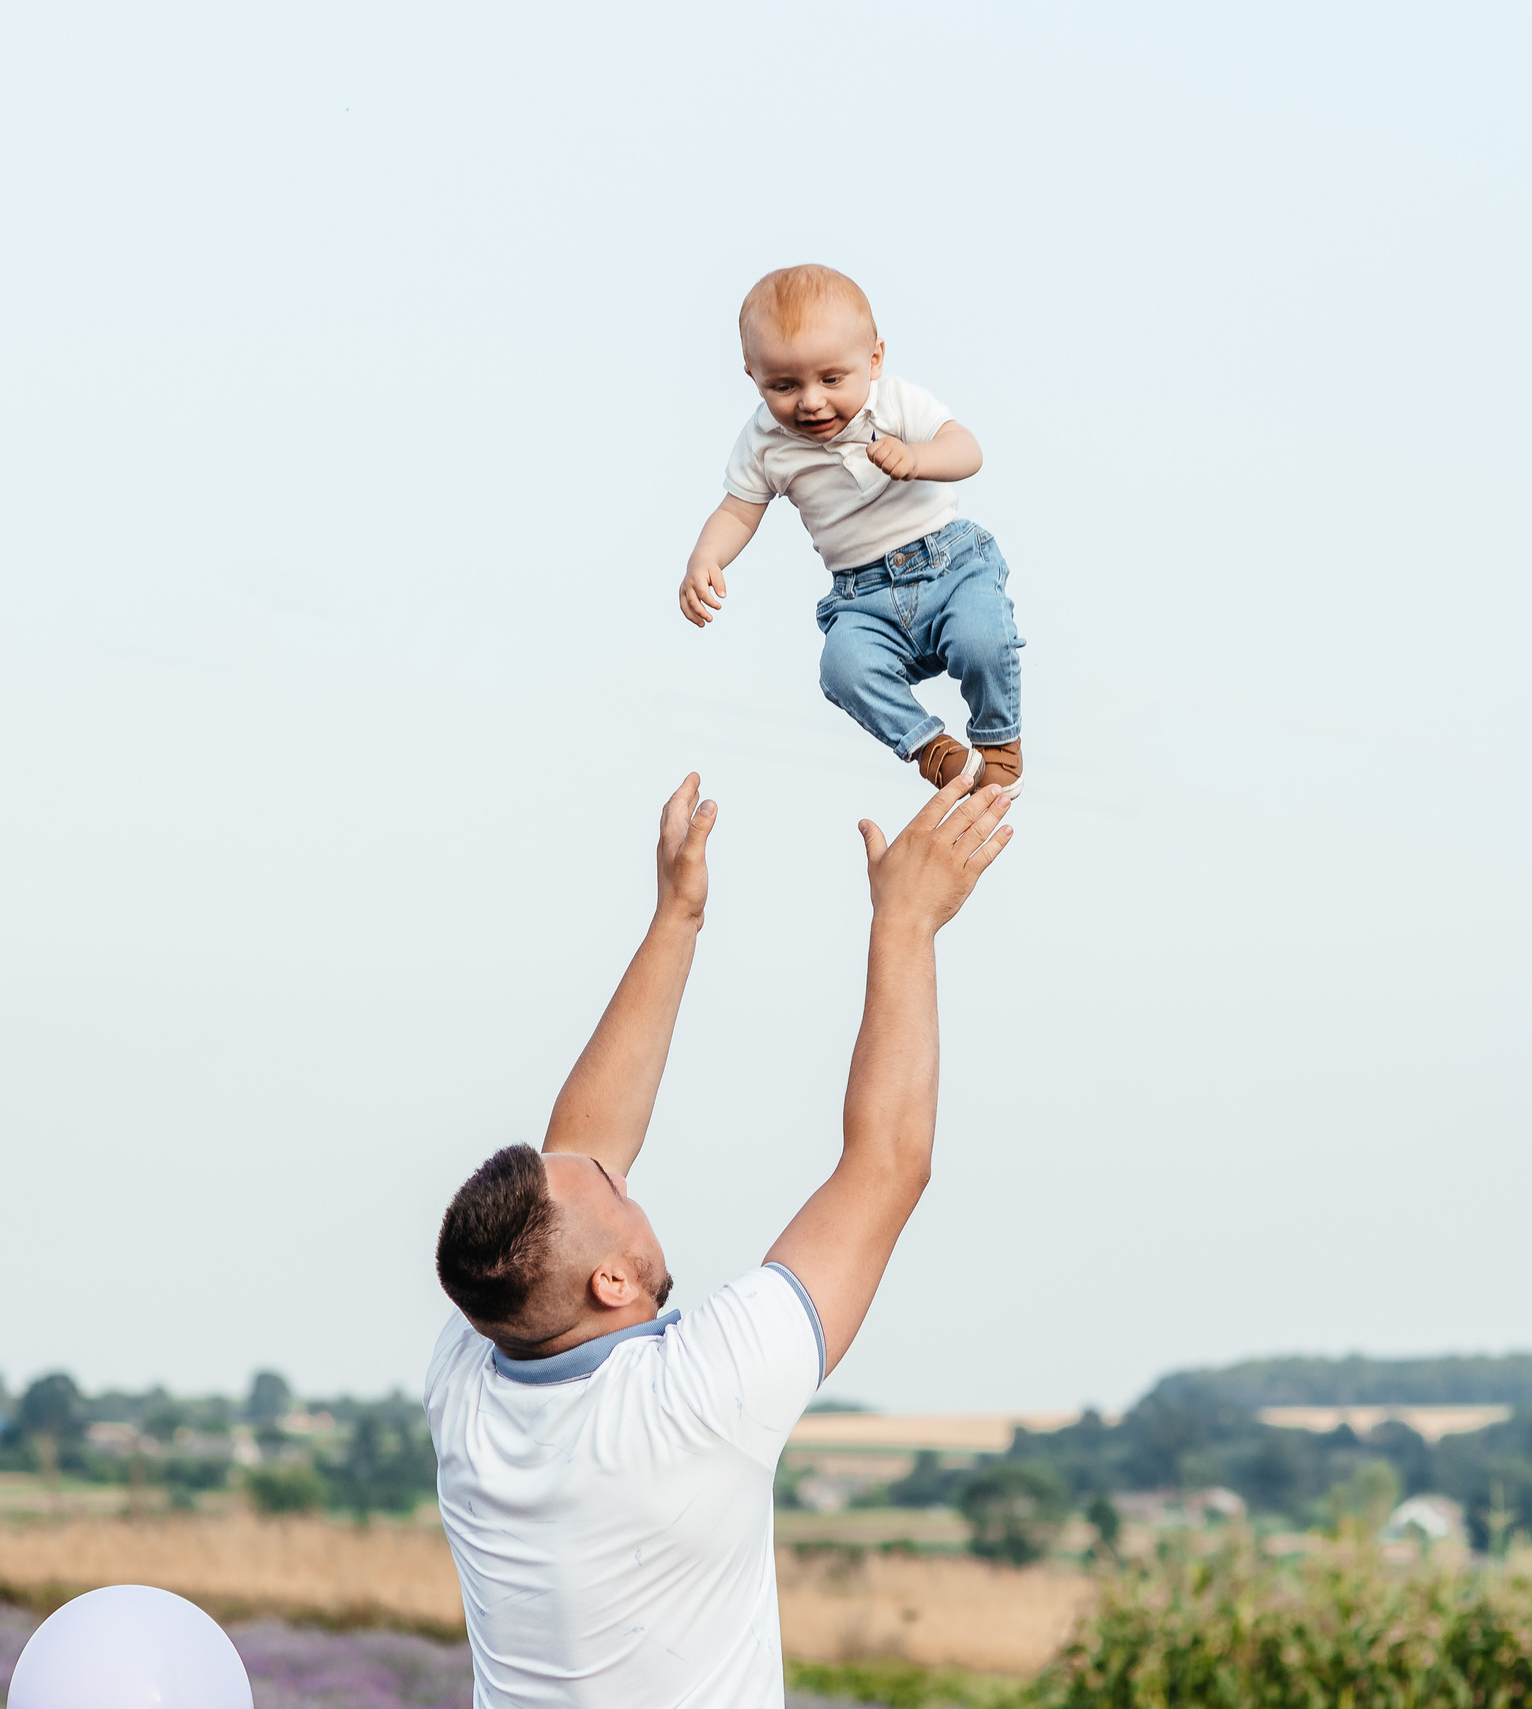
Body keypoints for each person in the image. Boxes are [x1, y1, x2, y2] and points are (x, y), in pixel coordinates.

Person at [423, 771, 1014, 1709]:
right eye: (615, 1188)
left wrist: (677, 920)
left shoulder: (474, 1376)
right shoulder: (693, 1401)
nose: (616, 1167)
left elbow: (580, 1143)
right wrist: (906, 924)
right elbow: (888, 1164)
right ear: (612, 1281)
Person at [677, 264, 1028, 800]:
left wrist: (918, 457)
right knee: (842, 668)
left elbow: (968, 450)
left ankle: (998, 736)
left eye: (831, 379)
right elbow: (737, 511)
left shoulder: (895, 402)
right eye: (784, 385)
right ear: (753, 376)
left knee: (983, 639)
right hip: (862, 598)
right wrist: (706, 559)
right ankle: (932, 749)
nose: (811, 401)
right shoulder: (764, 441)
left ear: (873, 360)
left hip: (948, 564)